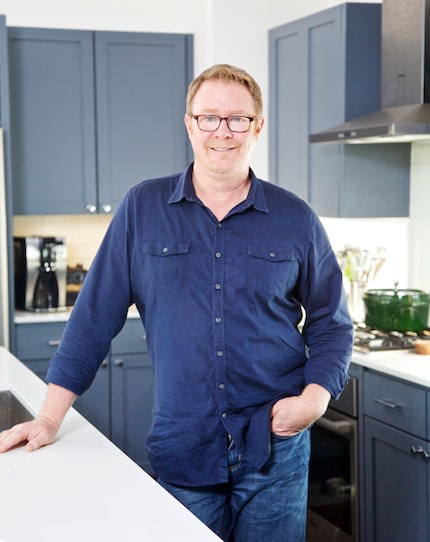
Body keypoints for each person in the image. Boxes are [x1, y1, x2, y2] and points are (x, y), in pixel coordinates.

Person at [0, 64, 353, 542]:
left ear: (258, 127)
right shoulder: (142, 208)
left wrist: (314, 400)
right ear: (189, 124)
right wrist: (47, 417)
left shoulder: (297, 219)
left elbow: (332, 324)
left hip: (276, 447)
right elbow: (93, 320)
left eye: (237, 119)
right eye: (209, 117)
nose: (222, 131)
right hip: (185, 445)